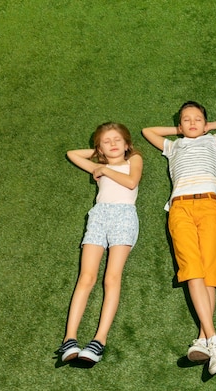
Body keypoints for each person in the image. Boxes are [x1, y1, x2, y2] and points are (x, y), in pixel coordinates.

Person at [142, 102, 216, 375]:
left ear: (206, 123)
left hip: (211, 206)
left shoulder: (214, 141)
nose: (191, 123)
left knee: (209, 273)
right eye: (185, 120)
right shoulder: (174, 146)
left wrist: (209, 128)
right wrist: (177, 130)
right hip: (179, 208)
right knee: (192, 270)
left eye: (197, 119)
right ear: (179, 126)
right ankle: (213, 339)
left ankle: (204, 337)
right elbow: (147, 131)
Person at [58, 122, 143, 364]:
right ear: (100, 149)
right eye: (106, 141)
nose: (113, 144)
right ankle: (69, 340)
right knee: (86, 278)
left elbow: (131, 182)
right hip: (99, 215)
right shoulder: (99, 164)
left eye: (118, 140)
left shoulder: (133, 159)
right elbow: (72, 154)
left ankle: (99, 340)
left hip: (124, 215)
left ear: (127, 145)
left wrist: (104, 169)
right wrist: (99, 157)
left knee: (111, 278)